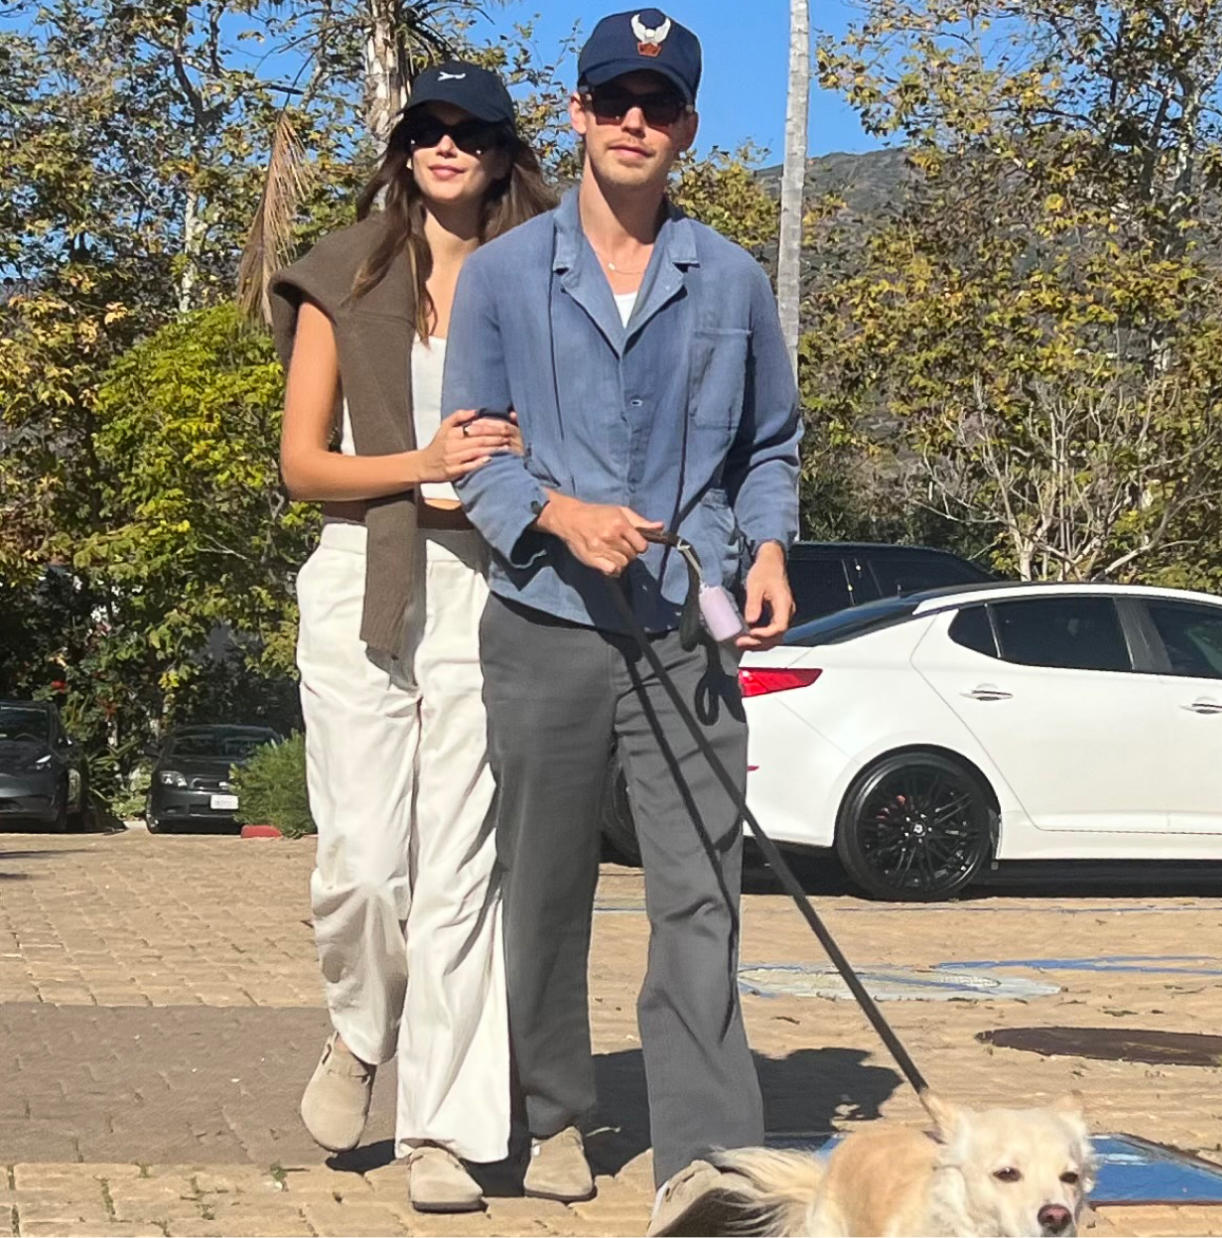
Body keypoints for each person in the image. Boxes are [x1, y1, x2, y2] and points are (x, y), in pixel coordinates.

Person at [441, 9, 802, 1231]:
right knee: (539, 886)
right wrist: (553, 512)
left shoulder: (736, 279)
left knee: (699, 890)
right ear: (580, 117)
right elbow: (474, 454)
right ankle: (550, 1109)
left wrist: (766, 547)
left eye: (661, 103)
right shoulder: (499, 277)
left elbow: (770, 447)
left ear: (687, 127)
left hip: (686, 629)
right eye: (615, 100)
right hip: (540, 620)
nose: (636, 120)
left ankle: (705, 1163)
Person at [268, 63, 555, 1214]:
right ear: (403, 145)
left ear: (500, 149)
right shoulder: (349, 267)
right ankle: (359, 1033)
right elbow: (302, 465)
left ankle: (442, 1131)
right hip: (360, 570)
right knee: (363, 872)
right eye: (427, 128)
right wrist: (423, 466)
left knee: (460, 878)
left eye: (471, 129)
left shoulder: (542, 272)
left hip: (491, 581)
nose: (448, 145)